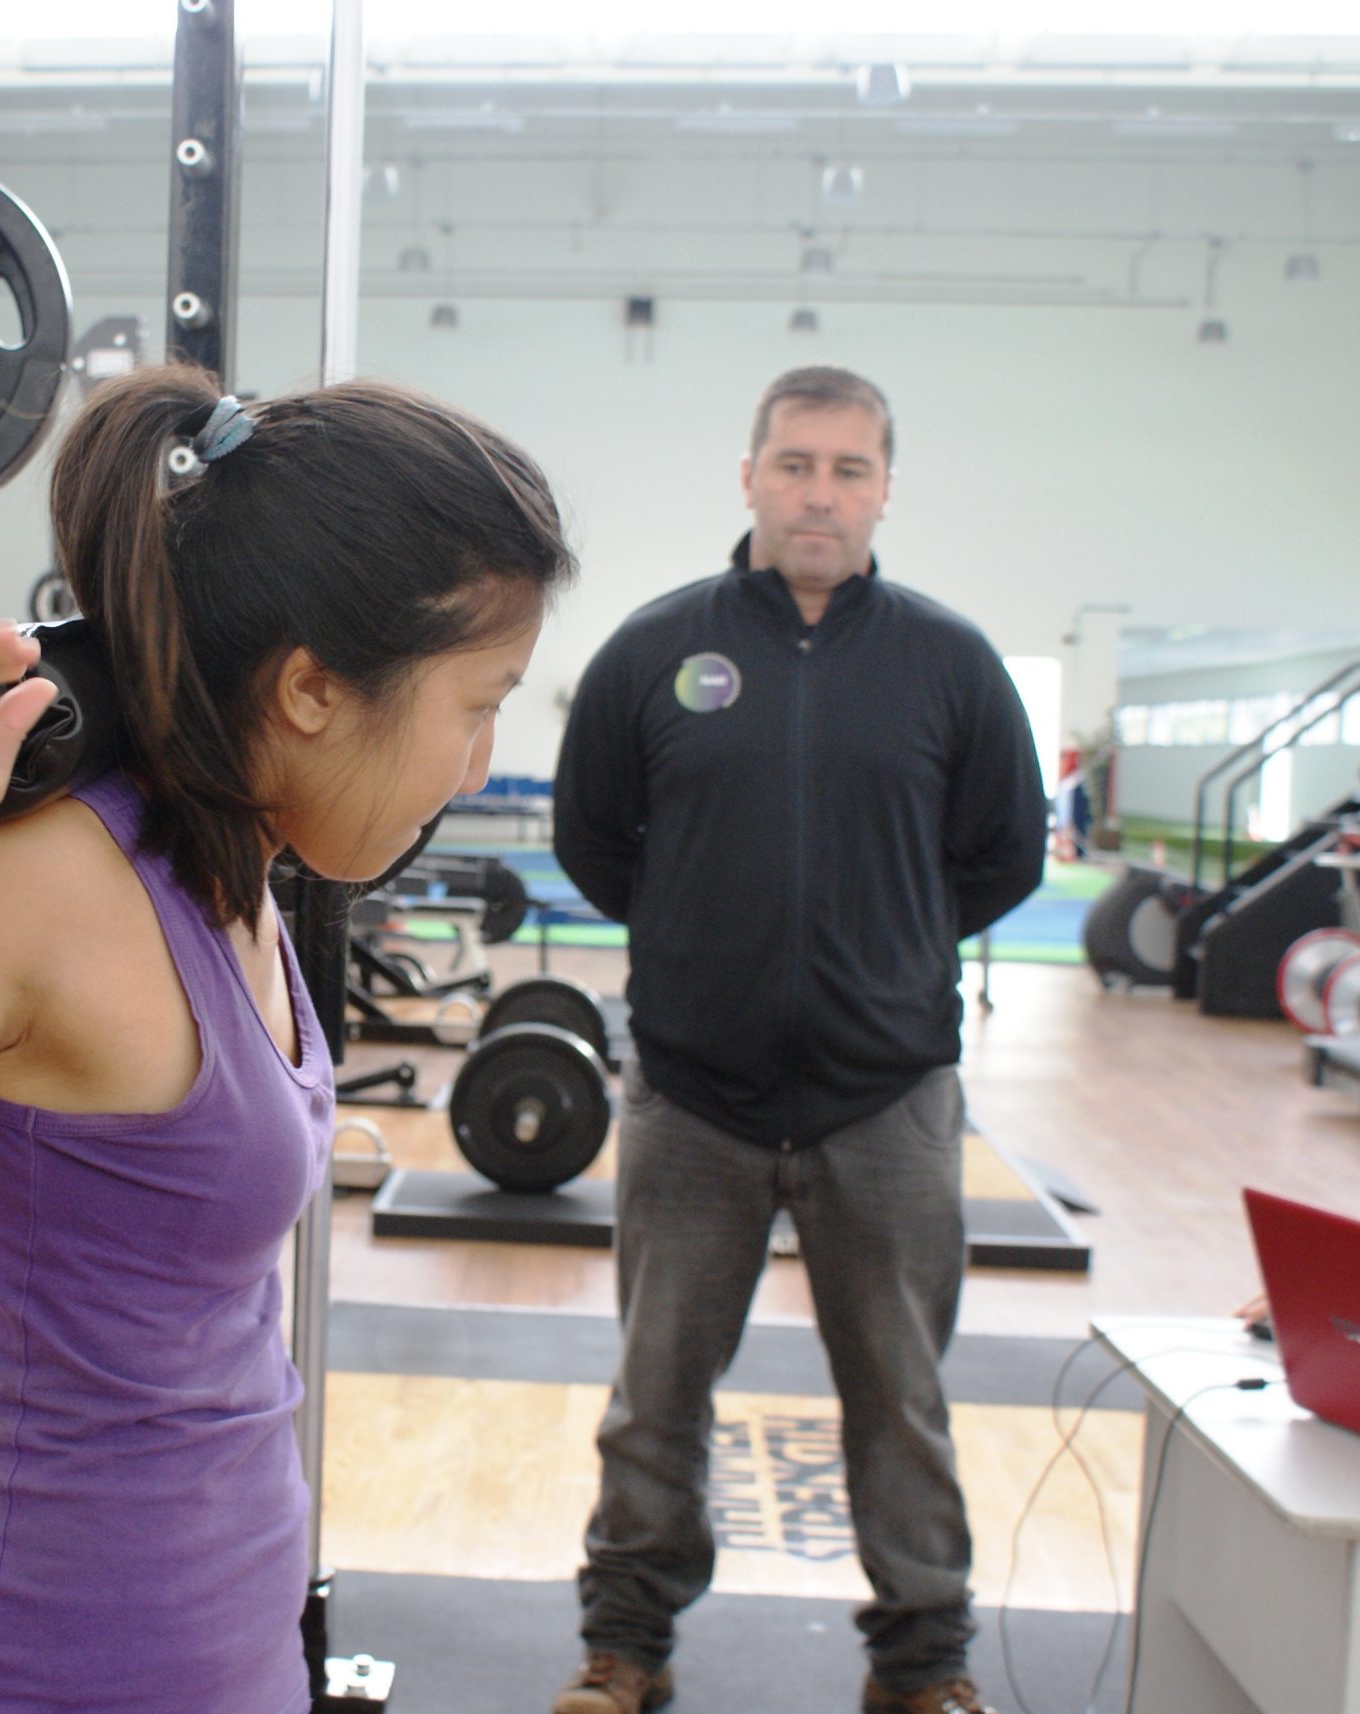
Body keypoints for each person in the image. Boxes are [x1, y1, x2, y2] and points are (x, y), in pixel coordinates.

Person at [0, 365, 575, 1714]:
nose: (480, 762)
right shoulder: (47, 888)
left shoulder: (228, 863)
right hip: (46, 1672)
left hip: (222, 1642)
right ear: (314, 688)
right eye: (477, 701)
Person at [550, 366, 1047, 1714]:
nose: (819, 491)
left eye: (847, 468)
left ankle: (923, 1666)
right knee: (655, 1396)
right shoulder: (657, 649)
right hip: (692, 1091)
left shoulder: (950, 662)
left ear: (886, 485)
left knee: (900, 1400)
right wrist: (698, 933)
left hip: (883, 1097)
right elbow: (592, 837)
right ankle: (626, 1647)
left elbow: (1007, 850)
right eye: (795, 463)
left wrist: (892, 944)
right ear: (750, 474)